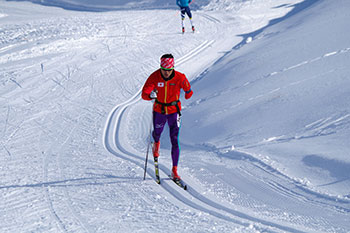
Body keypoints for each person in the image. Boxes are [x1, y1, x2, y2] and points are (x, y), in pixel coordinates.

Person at [141, 54, 193, 181]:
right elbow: (144, 94)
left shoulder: (180, 77)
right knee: (157, 133)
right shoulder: (154, 76)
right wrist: (150, 96)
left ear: (173, 68)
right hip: (159, 110)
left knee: (174, 139)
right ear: (160, 68)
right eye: (164, 71)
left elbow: (189, 91)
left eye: (169, 71)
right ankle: (156, 143)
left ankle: (174, 170)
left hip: (174, 111)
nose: (166, 73)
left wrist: (187, 94)